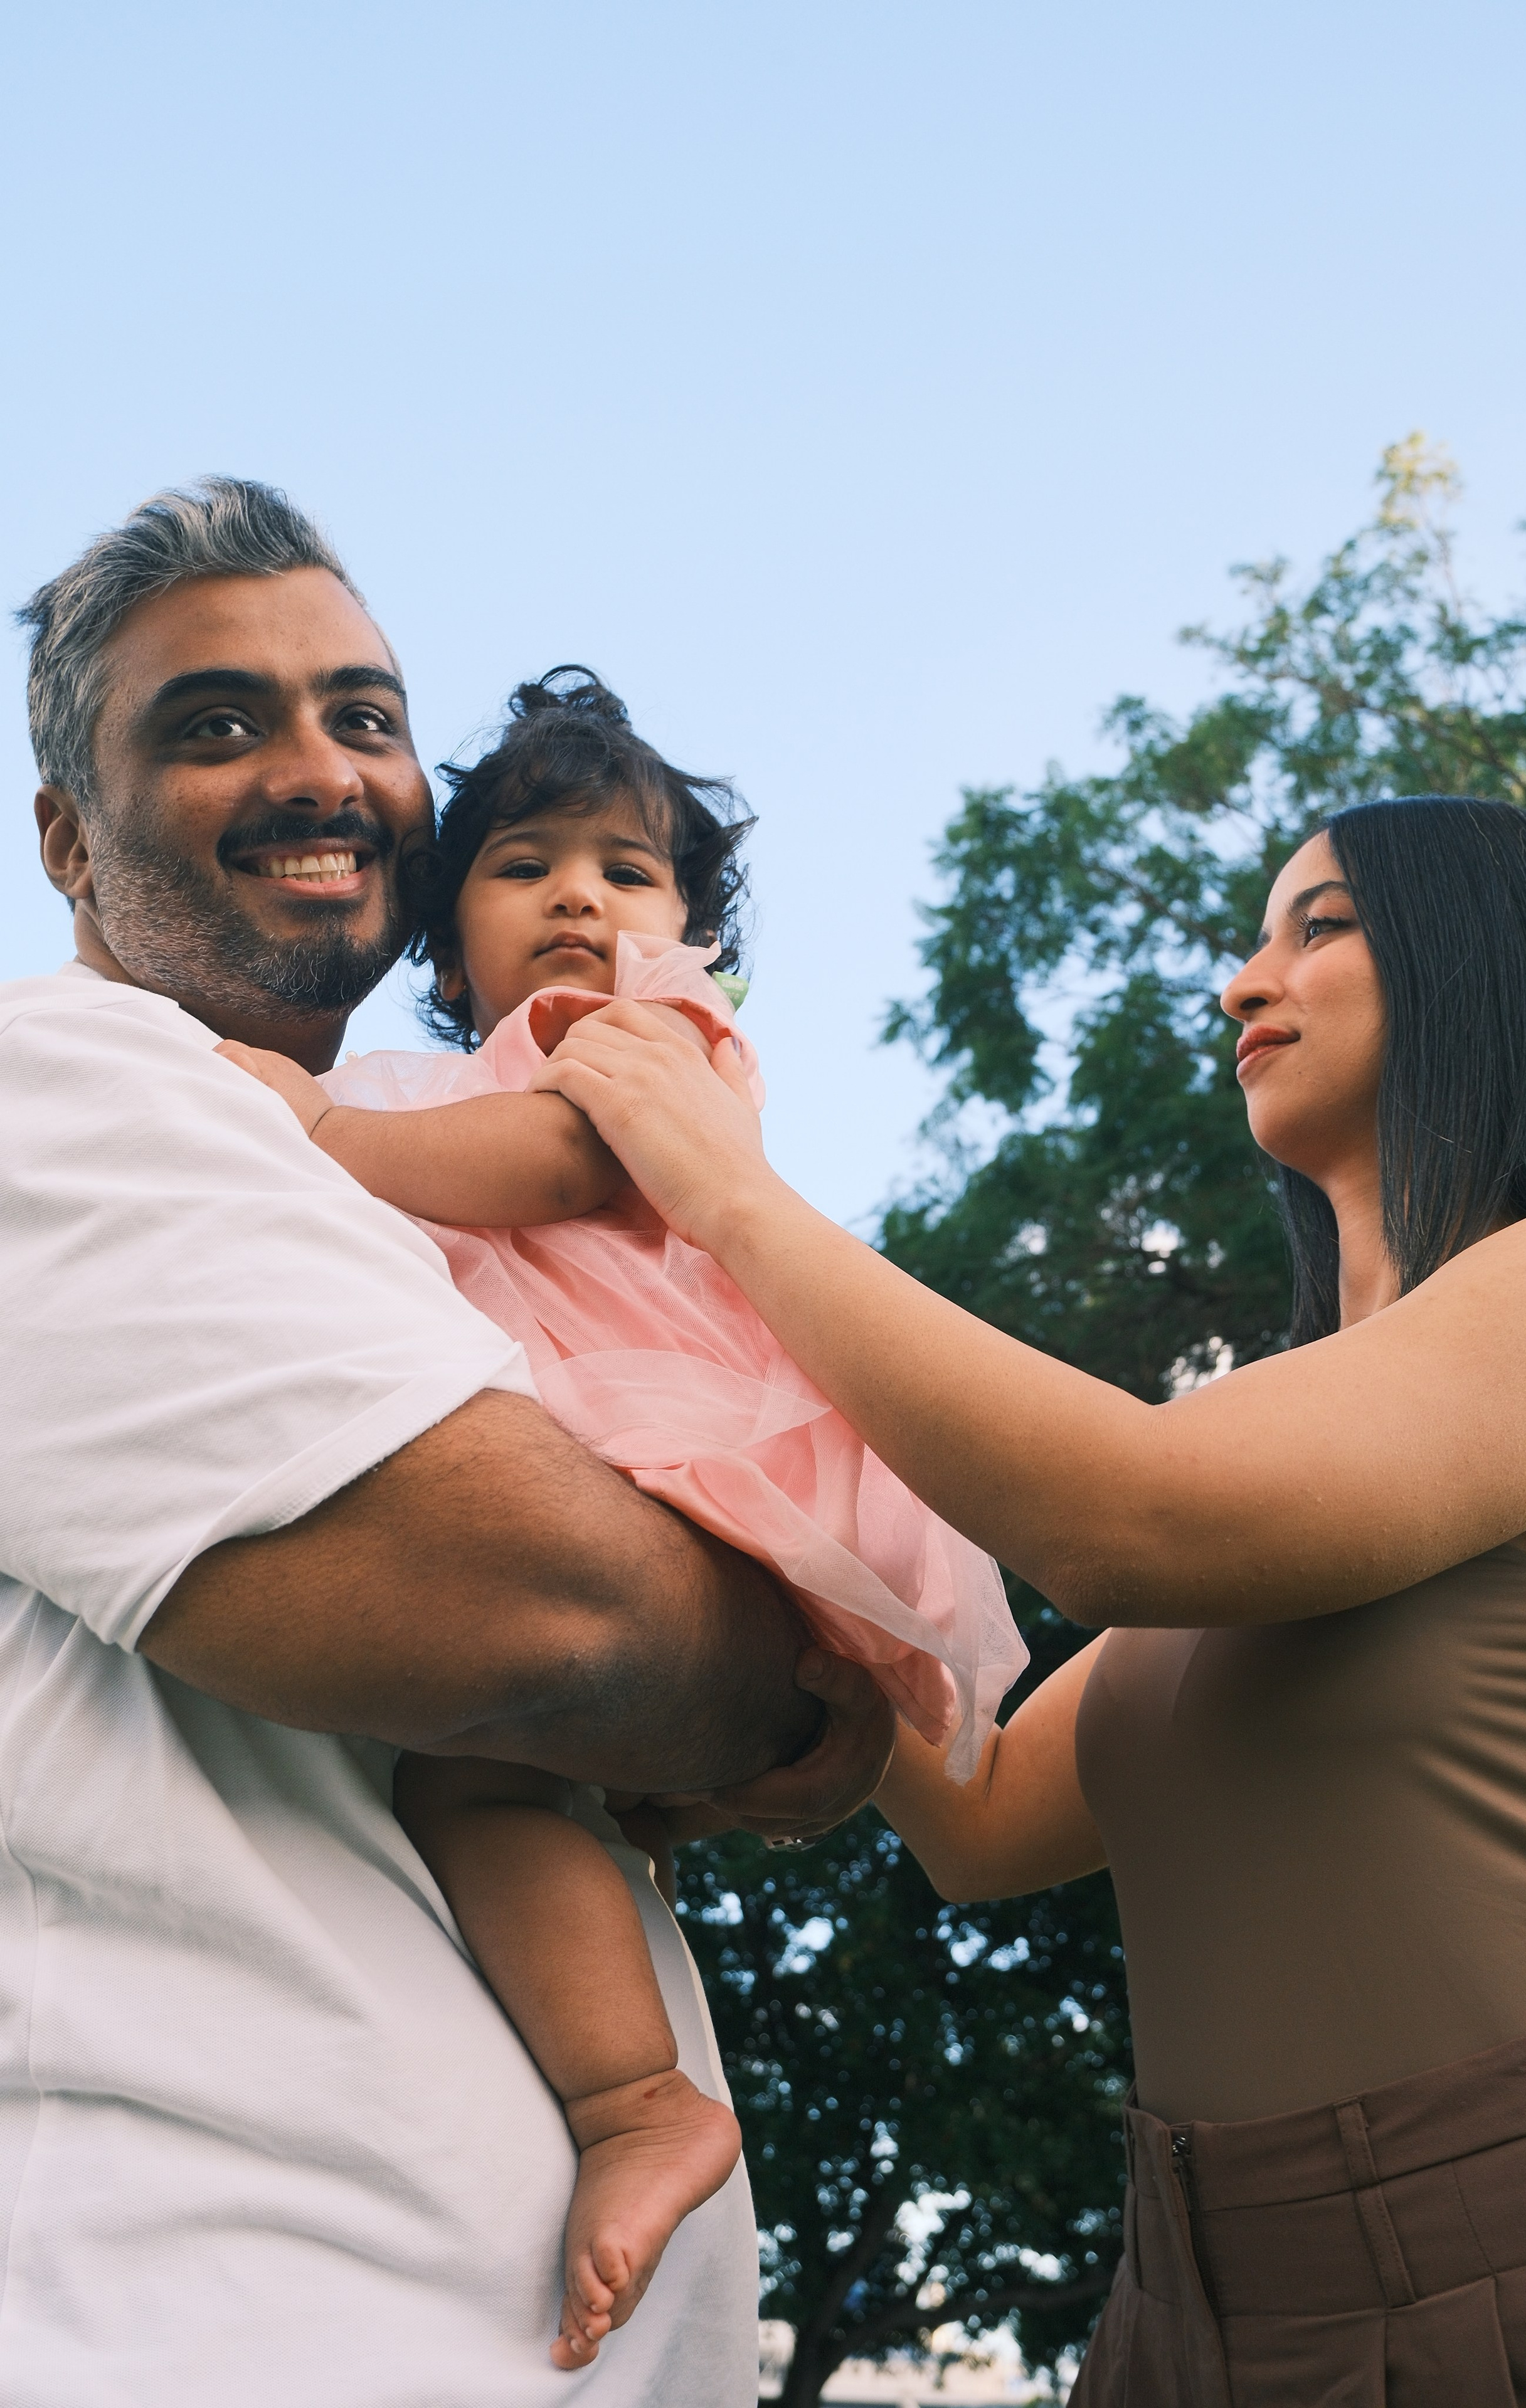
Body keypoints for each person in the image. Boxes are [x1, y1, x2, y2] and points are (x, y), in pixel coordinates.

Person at [536, 793, 1526, 2404]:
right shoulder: (1287, 1450)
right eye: (1254, 939)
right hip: (1184, 2310)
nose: (1245, 984)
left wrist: (728, 1200)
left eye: (1318, 928)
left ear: (1484, 961)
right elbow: (976, 1810)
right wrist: (683, 1433)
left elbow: (1125, 1515)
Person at [0, 477, 892, 2408]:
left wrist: (789, 1707)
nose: (321, 771)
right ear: (67, 838)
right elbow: (547, 1617)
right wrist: (789, 1698)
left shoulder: (444, 1145)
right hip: (229, 2324)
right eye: (216, 724)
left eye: (368, 718)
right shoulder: (61, 1076)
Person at [221, 665, 1026, 2370]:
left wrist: (307, 1128)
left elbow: (576, 1176)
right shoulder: (455, 1085)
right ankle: (633, 2088)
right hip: (583, 1458)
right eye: (522, 866)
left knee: (478, 1772)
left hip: (664, 1439)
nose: (579, 894)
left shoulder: (648, 1041)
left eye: (627, 868)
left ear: (688, 931)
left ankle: (632, 2103)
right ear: (445, 947)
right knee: (501, 1788)